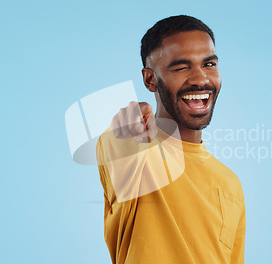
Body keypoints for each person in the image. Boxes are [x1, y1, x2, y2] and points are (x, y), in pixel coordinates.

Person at [96, 15, 245, 264]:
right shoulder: (135, 153)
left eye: (209, 64)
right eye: (181, 67)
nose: (200, 79)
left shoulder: (230, 184)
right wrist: (130, 125)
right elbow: (119, 142)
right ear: (150, 79)